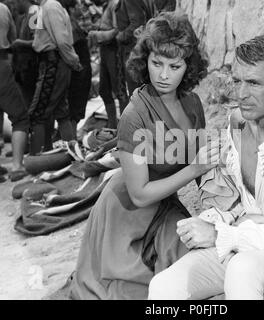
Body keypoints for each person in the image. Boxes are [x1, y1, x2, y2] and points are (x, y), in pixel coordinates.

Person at [148, 35, 264, 300]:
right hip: (246, 235)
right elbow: (242, 200)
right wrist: (215, 219)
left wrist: (220, 234)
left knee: (242, 270)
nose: (240, 94)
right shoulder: (238, 122)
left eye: (253, 83)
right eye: (237, 81)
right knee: (163, 286)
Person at [68, 11, 214, 300]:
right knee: (140, 292)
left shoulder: (193, 104)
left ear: (188, 66)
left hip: (164, 205)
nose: (163, 74)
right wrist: (194, 170)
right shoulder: (134, 115)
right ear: (144, 60)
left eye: (175, 66)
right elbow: (140, 195)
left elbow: (202, 170)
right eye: (156, 63)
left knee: (199, 265)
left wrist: (219, 214)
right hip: (126, 213)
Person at [29, 0, 82, 154]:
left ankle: (37, 157)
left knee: (37, 113)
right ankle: (69, 153)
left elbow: (62, 41)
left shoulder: (51, 6)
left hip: (54, 63)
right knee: (61, 111)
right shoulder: (44, 7)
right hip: (54, 62)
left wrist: (73, 60)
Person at [0, 1, 29, 181]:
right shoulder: (2, 9)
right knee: (20, 117)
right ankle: (17, 167)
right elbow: (13, 39)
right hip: (0, 63)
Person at [58, 0, 92, 138]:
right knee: (74, 106)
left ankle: (70, 137)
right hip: (78, 70)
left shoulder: (72, 22)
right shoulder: (70, 25)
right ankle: (70, 139)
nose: (81, 7)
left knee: (75, 106)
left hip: (80, 69)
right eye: (77, 5)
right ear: (71, 9)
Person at [88, 0, 120, 129]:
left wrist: (97, 34)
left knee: (119, 91)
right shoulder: (107, 4)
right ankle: (113, 125)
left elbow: (117, 31)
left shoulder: (114, 4)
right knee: (104, 90)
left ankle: (124, 128)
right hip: (105, 50)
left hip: (113, 49)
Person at [12, 0, 39, 107]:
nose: (14, 6)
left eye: (15, 2)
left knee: (34, 107)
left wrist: (20, 43)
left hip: (32, 68)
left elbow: (38, 42)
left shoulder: (34, 13)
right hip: (25, 68)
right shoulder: (24, 17)